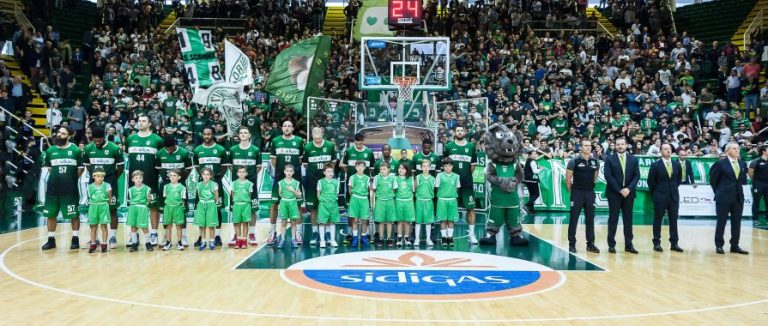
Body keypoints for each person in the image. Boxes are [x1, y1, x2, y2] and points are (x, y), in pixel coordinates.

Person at [42, 126, 84, 250]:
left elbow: (81, 168)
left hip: (69, 189)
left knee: (73, 214)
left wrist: (70, 179)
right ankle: (51, 240)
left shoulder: (76, 150)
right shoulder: (50, 151)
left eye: (63, 133)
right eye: (59, 132)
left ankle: (75, 239)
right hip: (53, 189)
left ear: (69, 136)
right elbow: (49, 169)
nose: (59, 135)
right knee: (51, 214)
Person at [124, 115, 163, 247]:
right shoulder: (130, 139)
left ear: (150, 123)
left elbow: (160, 160)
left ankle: (154, 233)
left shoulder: (157, 140)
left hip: (151, 178)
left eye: (144, 121)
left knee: (153, 206)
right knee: (134, 206)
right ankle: (133, 236)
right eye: (139, 121)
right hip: (134, 181)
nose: (140, 123)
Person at [82, 127, 123, 249]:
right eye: (95, 140)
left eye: (99, 140)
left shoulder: (114, 148)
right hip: (94, 185)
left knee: (112, 209)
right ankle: (95, 239)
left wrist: (111, 179)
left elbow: (120, 167)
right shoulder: (88, 149)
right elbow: (88, 167)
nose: (97, 142)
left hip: (110, 183)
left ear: (104, 137)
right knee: (94, 211)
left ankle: (113, 236)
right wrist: (96, 178)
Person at [269, 120, 305, 246]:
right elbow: (273, 160)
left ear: (293, 128)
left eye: (289, 126)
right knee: (274, 204)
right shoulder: (275, 141)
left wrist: (291, 174)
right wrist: (282, 173)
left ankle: (298, 233)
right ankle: (272, 232)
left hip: (296, 179)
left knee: (298, 205)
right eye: (285, 126)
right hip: (279, 177)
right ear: (282, 128)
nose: (287, 128)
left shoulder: (299, 141)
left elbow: (300, 160)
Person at [710, 142, 749, 255]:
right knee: (721, 222)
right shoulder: (720, 164)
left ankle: (735, 245)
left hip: (738, 197)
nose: (737, 150)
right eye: (734, 148)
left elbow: (741, 181)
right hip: (723, 197)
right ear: (727, 151)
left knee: (737, 222)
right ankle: (719, 245)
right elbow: (713, 181)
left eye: (738, 148)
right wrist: (719, 192)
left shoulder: (742, 163)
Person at [193, 126, 229, 246]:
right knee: (201, 210)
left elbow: (224, 166)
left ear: (213, 134)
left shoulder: (220, 149)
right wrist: (205, 178)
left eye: (209, 134)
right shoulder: (197, 150)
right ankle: (201, 237)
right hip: (202, 184)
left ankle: (217, 236)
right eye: (204, 134)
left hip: (216, 183)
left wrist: (217, 178)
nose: (206, 136)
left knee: (217, 209)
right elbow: (197, 167)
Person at [603, 137, 640, 254]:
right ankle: (611, 245)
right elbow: (608, 176)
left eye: (622, 144)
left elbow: (637, 175)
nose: (620, 146)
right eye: (617, 144)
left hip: (629, 194)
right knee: (613, 219)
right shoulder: (609, 159)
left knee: (628, 220)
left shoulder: (633, 159)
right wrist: (620, 190)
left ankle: (629, 245)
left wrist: (628, 189)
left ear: (626, 145)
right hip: (614, 193)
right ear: (615, 146)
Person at [443, 125, 479, 244]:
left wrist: (466, 176)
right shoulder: (448, 146)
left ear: (465, 132)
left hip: (467, 183)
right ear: (454, 132)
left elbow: (473, 165)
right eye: (457, 130)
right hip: (451, 183)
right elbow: (445, 166)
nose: (459, 132)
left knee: (471, 208)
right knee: (450, 208)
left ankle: (472, 235)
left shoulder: (471, 146)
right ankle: (448, 236)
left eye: (461, 130)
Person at [155, 136, 193, 247]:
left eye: (171, 149)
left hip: (180, 184)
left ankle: (184, 237)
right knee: (164, 211)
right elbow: (157, 168)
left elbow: (189, 168)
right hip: (165, 184)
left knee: (182, 210)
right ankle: (166, 238)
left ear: (175, 145)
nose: (169, 151)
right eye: (167, 149)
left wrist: (181, 180)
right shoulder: (160, 153)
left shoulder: (184, 153)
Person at [302, 127, 336, 246]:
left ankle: (326, 232)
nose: (317, 140)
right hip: (312, 183)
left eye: (319, 137)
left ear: (323, 134)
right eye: (314, 138)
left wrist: (327, 177)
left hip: (327, 182)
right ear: (311, 135)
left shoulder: (330, 146)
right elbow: (306, 165)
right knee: (314, 209)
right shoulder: (307, 147)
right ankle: (315, 232)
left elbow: (333, 163)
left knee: (326, 208)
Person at [647, 144, 684, 253]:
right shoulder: (655, 165)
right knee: (658, 220)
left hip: (673, 196)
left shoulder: (677, 165)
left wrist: (672, 190)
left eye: (669, 149)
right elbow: (650, 181)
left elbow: (678, 180)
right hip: (660, 196)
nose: (668, 150)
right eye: (665, 149)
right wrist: (656, 193)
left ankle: (674, 243)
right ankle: (657, 243)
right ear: (661, 151)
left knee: (673, 220)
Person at [565, 139, 600, 254]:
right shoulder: (574, 161)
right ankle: (572, 244)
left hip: (590, 193)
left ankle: (590, 244)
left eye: (590, 145)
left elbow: (595, 176)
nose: (588, 147)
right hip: (577, 193)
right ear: (581, 147)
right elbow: (568, 179)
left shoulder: (595, 161)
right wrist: (573, 191)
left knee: (590, 219)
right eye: (585, 145)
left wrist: (590, 186)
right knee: (573, 219)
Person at [339, 133, 375, 244]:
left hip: (364, 190)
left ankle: (366, 235)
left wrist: (364, 178)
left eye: (360, 143)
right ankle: (350, 234)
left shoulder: (369, 152)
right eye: (356, 143)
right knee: (351, 213)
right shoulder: (349, 151)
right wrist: (349, 173)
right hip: (352, 188)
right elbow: (342, 164)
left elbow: (371, 169)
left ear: (364, 141)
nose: (358, 145)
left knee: (365, 213)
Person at [229, 127, 261, 246]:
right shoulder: (233, 150)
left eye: (245, 133)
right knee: (236, 209)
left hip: (250, 183)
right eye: (241, 133)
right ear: (238, 135)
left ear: (249, 135)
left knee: (252, 209)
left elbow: (258, 167)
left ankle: (251, 234)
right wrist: (239, 178)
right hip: (237, 186)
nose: (243, 134)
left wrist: (248, 178)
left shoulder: (255, 150)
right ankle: (236, 235)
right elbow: (231, 167)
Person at [435, 158, 460, 247]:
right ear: (443, 167)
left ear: (452, 166)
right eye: (445, 166)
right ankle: (444, 237)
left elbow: (457, 188)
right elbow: (437, 187)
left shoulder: (456, 176)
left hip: (452, 200)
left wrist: (451, 194)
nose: (447, 168)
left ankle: (450, 237)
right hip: (442, 200)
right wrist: (443, 194)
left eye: (449, 166)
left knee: (451, 220)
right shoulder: (439, 176)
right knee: (443, 220)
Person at [372, 162, 397, 247]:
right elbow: (374, 189)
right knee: (381, 221)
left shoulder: (393, 178)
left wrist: (388, 195)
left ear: (389, 169)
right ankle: (381, 237)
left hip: (390, 201)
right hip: (380, 201)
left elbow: (394, 189)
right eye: (381, 169)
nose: (382, 171)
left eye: (384, 169)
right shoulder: (377, 178)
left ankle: (389, 238)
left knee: (390, 221)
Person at [85, 167, 111, 253]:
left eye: (102, 176)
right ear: (94, 177)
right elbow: (88, 198)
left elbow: (109, 197)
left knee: (104, 227)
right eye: (98, 176)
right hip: (93, 207)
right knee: (93, 227)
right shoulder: (90, 187)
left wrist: (106, 203)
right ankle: (93, 244)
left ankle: (104, 244)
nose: (100, 178)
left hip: (103, 206)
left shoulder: (107, 185)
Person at [277, 164, 302, 249]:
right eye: (287, 171)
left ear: (293, 172)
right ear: (284, 172)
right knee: (283, 222)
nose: (289, 173)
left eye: (291, 171)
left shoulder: (296, 183)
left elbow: (299, 195)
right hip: (284, 202)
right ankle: (282, 239)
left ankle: (293, 239)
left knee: (293, 222)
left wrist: (293, 191)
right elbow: (280, 194)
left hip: (293, 202)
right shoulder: (281, 183)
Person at [127, 170, 153, 252]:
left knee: (144, 227)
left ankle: (148, 243)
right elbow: (130, 200)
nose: (138, 179)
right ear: (133, 179)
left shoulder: (147, 188)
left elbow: (149, 199)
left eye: (140, 178)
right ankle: (134, 243)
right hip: (133, 208)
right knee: (133, 226)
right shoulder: (130, 190)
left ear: (142, 179)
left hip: (142, 208)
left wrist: (145, 206)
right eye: (136, 178)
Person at [347, 161, 371, 247]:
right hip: (355, 199)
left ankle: (364, 236)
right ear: (355, 167)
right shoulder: (352, 177)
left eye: (362, 166)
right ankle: (355, 237)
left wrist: (371, 202)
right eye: (358, 166)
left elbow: (370, 190)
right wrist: (353, 197)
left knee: (364, 220)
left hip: (364, 199)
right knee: (355, 220)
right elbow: (350, 189)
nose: (360, 168)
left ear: (365, 167)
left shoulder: (367, 178)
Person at [195, 168, 219, 251]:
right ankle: (203, 241)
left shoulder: (214, 184)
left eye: (208, 174)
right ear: (201, 175)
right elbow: (199, 195)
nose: (206, 176)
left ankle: (212, 241)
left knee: (211, 225)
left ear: (211, 176)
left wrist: (210, 202)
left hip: (211, 204)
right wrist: (203, 201)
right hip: (201, 204)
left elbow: (216, 197)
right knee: (202, 225)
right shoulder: (199, 184)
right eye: (204, 174)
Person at [162, 169, 187, 251]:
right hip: (168, 207)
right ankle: (168, 242)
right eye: (171, 175)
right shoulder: (166, 187)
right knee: (168, 226)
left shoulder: (182, 187)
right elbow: (165, 197)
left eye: (174, 175)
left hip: (178, 207)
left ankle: (179, 242)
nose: (172, 177)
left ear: (179, 177)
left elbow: (183, 200)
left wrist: (182, 206)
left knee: (178, 226)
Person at [317, 164, 340, 248]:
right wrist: (322, 201)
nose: (330, 173)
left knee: (332, 222)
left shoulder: (336, 182)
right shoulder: (320, 182)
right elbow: (318, 193)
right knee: (322, 223)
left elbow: (336, 193)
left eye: (331, 171)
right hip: (324, 205)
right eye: (328, 171)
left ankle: (332, 240)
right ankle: (322, 241)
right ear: (324, 172)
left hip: (333, 204)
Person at [230, 166, 254, 249]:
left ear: (246, 173)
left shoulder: (249, 183)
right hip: (237, 204)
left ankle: (244, 240)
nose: (241, 173)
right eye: (240, 172)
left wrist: (245, 200)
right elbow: (232, 194)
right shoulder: (234, 183)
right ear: (237, 173)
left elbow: (250, 195)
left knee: (245, 223)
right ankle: (238, 240)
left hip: (246, 205)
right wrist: (235, 200)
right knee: (237, 223)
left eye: (243, 172)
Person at [414, 160, 436, 246]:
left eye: (427, 166)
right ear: (421, 167)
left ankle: (428, 239)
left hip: (429, 201)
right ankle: (417, 239)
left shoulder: (433, 179)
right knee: (418, 221)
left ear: (430, 167)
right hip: (419, 201)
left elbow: (435, 189)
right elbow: (414, 189)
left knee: (428, 222)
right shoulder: (418, 177)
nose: (426, 168)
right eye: (424, 166)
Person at [395, 163, 415, 247]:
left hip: (408, 201)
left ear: (407, 170)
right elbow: (394, 190)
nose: (400, 170)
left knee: (407, 221)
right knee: (399, 221)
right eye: (399, 168)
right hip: (399, 201)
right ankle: (399, 237)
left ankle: (407, 238)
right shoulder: (395, 178)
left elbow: (414, 190)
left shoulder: (411, 179)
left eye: (403, 168)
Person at [749, 145, 768, 226]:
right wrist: (756, 181)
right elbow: (750, 173)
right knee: (756, 202)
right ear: (764, 152)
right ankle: (755, 219)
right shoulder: (755, 161)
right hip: (758, 184)